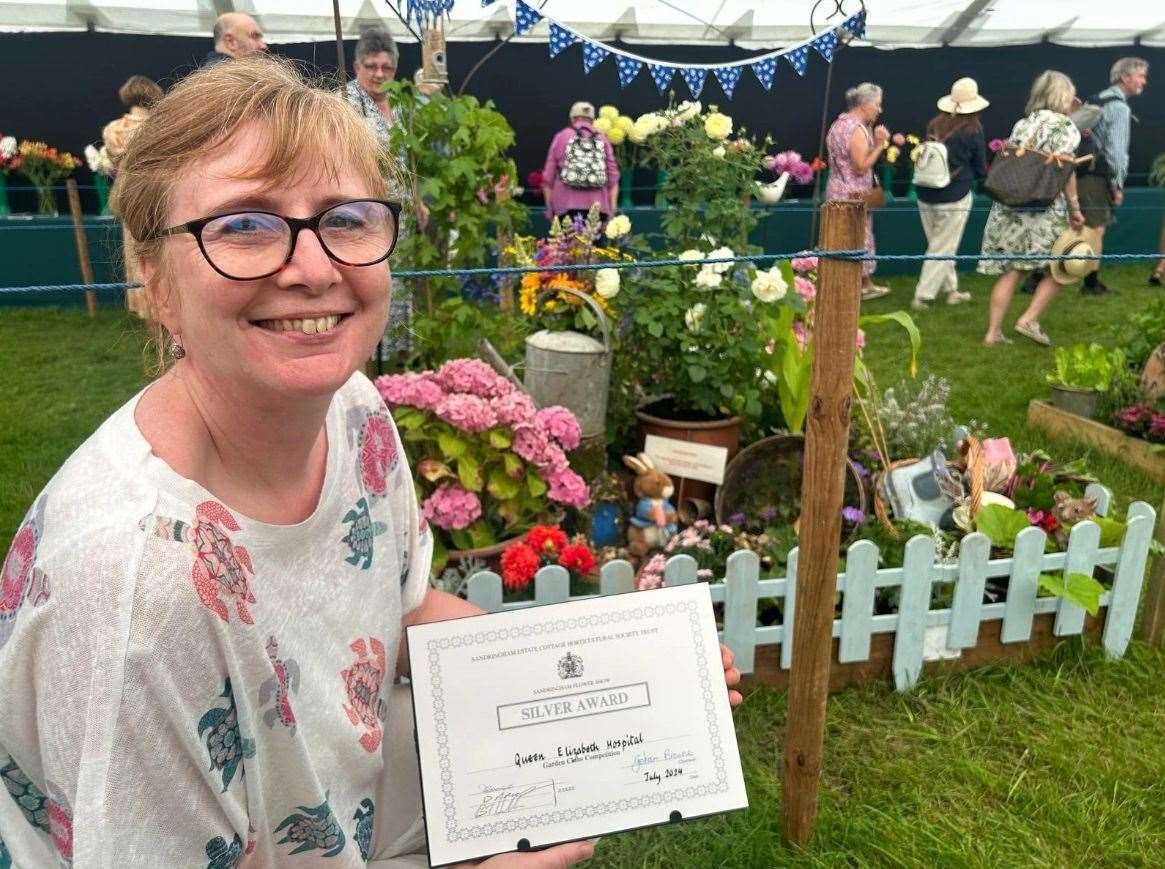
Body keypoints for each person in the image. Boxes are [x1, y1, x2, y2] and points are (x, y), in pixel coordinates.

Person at [0, 55, 740, 867]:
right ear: (155, 277)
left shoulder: (355, 412)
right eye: (244, 225)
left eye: (345, 218)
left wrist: (635, 670)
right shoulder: (138, 593)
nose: (314, 268)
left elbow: (400, 613)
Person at [979, 70, 1085, 347]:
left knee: (1011, 270)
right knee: (1066, 265)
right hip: (1043, 208)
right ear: (1064, 96)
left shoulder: (1023, 124)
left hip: (1010, 205)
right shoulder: (1066, 127)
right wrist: (1075, 207)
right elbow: (1066, 171)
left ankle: (992, 333)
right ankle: (1029, 319)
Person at [345, 27, 429, 362]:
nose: (379, 74)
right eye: (371, 66)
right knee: (368, 280)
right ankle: (364, 354)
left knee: (400, 280)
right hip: (364, 213)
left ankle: (396, 356)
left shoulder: (401, 105)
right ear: (357, 67)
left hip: (403, 213)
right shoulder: (345, 103)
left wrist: (418, 199)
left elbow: (410, 159)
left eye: (386, 68)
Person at [912, 77, 989, 310]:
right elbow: (979, 168)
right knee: (942, 247)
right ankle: (923, 296)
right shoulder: (973, 130)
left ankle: (951, 289)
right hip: (954, 195)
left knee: (939, 243)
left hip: (925, 192)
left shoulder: (934, 125)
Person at [1075, 57, 1149, 294]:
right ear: (1125, 77)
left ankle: (1038, 278)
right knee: (1096, 228)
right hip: (1097, 175)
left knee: (1077, 226)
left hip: (1077, 171)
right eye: (1141, 76)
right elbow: (1116, 152)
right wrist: (1117, 185)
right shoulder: (1118, 106)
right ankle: (1090, 283)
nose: (1144, 82)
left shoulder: (1097, 100)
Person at [102, 75, 165, 317]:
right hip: (158, 194)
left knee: (134, 251)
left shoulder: (113, 130)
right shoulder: (161, 127)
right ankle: (166, 303)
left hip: (127, 196)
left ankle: (143, 304)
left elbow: (113, 163)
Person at [826, 83, 891, 300]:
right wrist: (880, 145)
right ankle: (862, 285)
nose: (879, 110)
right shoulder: (855, 128)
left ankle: (852, 283)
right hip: (854, 194)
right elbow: (861, 165)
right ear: (865, 105)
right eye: (877, 105)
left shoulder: (838, 124)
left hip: (837, 189)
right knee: (858, 237)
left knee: (842, 237)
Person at [541, 102, 619, 223]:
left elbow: (547, 178)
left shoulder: (561, 137)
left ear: (572, 118)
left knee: (565, 242)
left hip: (565, 208)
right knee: (593, 242)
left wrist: (550, 209)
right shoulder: (602, 139)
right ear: (592, 120)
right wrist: (611, 211)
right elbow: (613, 179)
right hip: (597, 209)